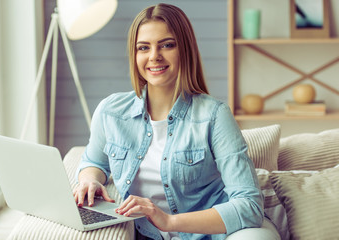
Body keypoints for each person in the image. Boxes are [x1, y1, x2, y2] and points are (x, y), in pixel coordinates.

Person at [74, 3, 280, 240]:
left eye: (167, 45)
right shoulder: (111, 112)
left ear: (185, 49)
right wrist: (89, 181)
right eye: (144, 47)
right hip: (148, 234)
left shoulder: (214, 115)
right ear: (134, 54)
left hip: (218, 234)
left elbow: (249, 206)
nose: (154, 56)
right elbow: (94, 161)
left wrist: (169, 221)